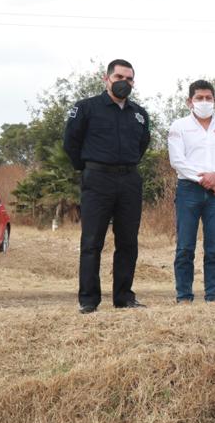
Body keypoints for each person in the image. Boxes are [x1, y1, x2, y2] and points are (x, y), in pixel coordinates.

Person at [62, 59, 150, 314]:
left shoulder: (139, 114)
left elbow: (142, 146)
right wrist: (89, 168)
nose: (125, 83)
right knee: (92, 242)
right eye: (120, 77)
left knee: (128, 242)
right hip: (97, 180)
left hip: (129, 181)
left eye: (130, 79)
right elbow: (71, 143)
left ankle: (124, 297)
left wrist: (125, 166)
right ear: (107, 78)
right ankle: (88, 299)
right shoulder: (86, 108)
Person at [167, 79, 215, 303]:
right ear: (189, 101)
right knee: (185, 247)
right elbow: (177, 160)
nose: (204, 102)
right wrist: (207, 179)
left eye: (208, 98)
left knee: (214, 248)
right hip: (188, 190)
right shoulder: (179, 126)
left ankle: (214, 295)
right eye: (199, 98)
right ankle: (184, 296)